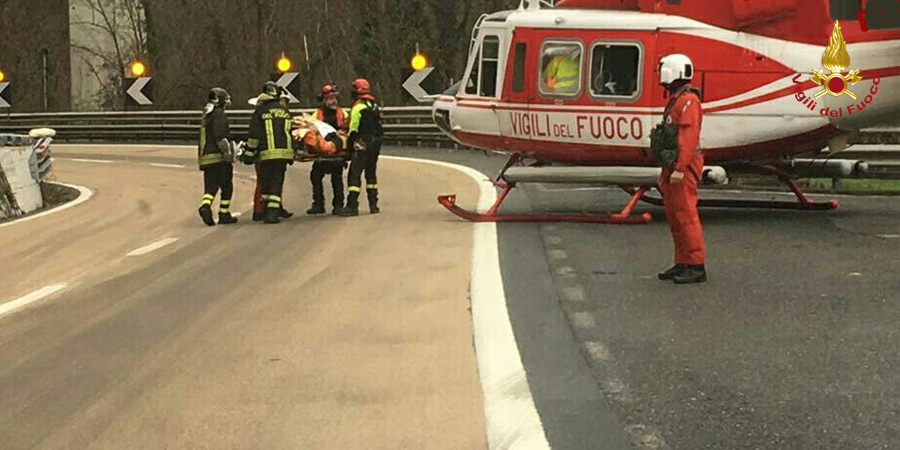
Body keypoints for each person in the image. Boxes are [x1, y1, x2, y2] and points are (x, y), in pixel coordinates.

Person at [655, 54, 707, 284]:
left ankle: (696, 265)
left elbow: (687, 137)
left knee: (685, 215)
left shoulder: (688, 101)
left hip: (682, 165)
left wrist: (680, 168)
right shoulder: (678, 99)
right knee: (675, 216)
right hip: (673, 164)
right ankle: (682, 261)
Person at [242, 81, 294, 224]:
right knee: (276, 183)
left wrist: (249, 154)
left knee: (265, 183)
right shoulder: (285, 111)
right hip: (283, 154)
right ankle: (273, 212)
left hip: (266, 155)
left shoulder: (259, 111)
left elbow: (254, 135)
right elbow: (289, 132)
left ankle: (266, 212)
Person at [338, 78, 383, 217]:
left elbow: (353, 129)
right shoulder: (374, 105)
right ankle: (373, 204)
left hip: (363, 142)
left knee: (354, 174)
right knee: (371, 173)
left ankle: (352, 206)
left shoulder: (358, 107)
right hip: (376, 142)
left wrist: (349, 147)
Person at [197, 87, 238, 226]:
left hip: (206, 158)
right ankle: (224, 213)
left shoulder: (206, 115)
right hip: (218, 157)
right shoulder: (219, 114)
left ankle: (205, 206)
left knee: (210, 187)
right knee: (227, 186)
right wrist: (228, 154)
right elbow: (220, 136)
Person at [307, 84, 347, 215]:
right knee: (315, 176)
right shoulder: (317, 114)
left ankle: (338, 205)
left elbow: (348, 128)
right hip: (322, 151)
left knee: (337, 179)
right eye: (330, 98)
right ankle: (318, 204)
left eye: (335, 98)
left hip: (337, 152)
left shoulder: (343, 113)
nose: (333, 101)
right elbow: (310, 129)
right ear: (324, 100)